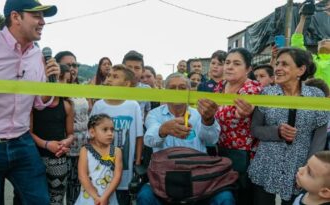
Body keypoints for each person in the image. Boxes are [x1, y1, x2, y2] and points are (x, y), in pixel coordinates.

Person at [0, 0, 60, 204]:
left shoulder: (37, 53)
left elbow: (39, 103)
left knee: (40, 201)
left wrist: (52, 84)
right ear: (16, 17)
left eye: (43, 17)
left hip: (21, 141)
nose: (43, 22)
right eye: (36, 16)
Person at [137, 73, 235, 205]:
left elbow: (211, 140)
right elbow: (149, 140)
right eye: (172, 88)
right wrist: (163, 130)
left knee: (225, 198)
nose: (177, 92)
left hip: (198, 175)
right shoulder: (154, 114)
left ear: (189, 91)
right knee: (144, 196)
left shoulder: (200, 113)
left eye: (182, 88)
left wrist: (208, 120)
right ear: (165, 92)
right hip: (164, 175)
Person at [248, 48, 329, 205]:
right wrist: (276, 131)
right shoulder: (266, 94)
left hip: (299, 167)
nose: (277, 68)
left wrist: (309, 170)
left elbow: (319, 137)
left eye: (284, 64)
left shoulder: (316, 96)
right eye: (277, 63)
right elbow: (255, 129)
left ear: (301, 70)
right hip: (267, 164)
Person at [212, 48, 262, 205]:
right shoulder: (220, 87)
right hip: (220, 150)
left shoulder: (253, 89)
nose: (229, 67)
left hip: (245, 156)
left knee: (242, 198)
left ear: (248, 69)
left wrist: (250, 112)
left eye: (236, 63)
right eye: (227, 62)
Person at [90, 64, 143, 205]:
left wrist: (137, 164)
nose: (109, 79)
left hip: (124, 172)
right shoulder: (99, 105)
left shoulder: (133, 105)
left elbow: (139, 137)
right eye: (109, 76)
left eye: (115, 76)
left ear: (126, 84)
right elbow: (91, 136)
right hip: (100, 171)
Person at [30, 65, 75, 205]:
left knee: (57, 198)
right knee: (34, 197)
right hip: (35, 157)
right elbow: (28, 132)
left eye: (66, 80)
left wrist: (66, 142)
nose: (61, 83)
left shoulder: (67, 105)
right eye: (59, 78)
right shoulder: (34, 104)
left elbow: (71, 134)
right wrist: (47, 144)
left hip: (58, 160)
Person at [55, 51, 90, 205]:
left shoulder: (82, 89)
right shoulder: (53, 90)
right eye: (67, 65)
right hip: (62, 148)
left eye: (74, 65)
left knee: (76, 190)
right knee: (57, 192)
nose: (72, 69)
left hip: (82, 148)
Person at [74, 114, 123, 205]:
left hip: (109, 198)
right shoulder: (85, 150)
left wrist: (105, 197)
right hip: (89, 198)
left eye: (112, 130)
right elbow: (82, 176)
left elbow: (117, 176)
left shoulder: (117, 151)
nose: (110, 133)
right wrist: (97, 198)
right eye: (105, 129)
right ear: (92, 132)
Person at [291, 11, 330, 86]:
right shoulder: (312, 59)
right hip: (314, 97)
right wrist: (303, 18)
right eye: (320, 41)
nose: (322, 41)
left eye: (327, 40)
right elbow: (297, 45)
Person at [123, 50, 151, 119]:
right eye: (129, 67)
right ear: (122, 69)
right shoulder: (114, 88)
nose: (132, 71)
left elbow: (147, 111)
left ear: (143, 70)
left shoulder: (147, 89)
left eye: (137, 68)